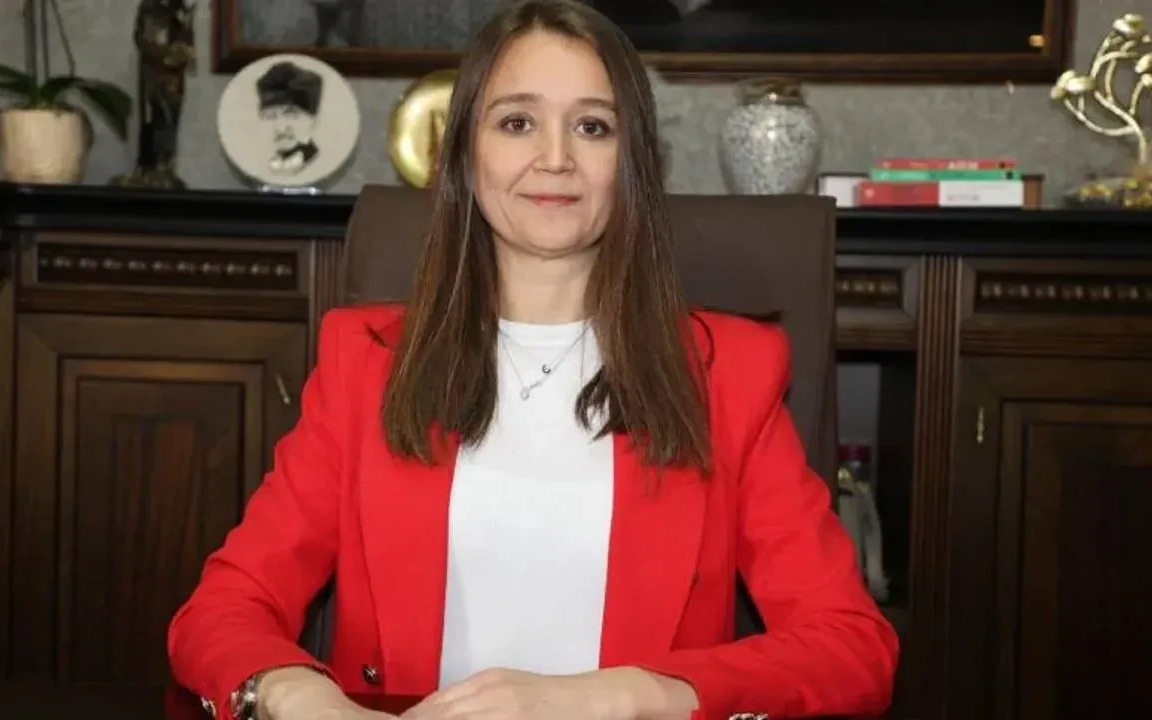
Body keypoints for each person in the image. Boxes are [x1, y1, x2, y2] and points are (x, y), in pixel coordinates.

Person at [168, 1, 899, 719]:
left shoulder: (728, 375)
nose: (555, 158)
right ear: (464, 153)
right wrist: (298, 696)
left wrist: (622, 696)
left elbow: (851, 647)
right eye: (517, 122)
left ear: (633, 163)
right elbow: (224, 609)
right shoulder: (364, 364)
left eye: (592, 126)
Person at [256, 60, 324, 175]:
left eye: (291, 115)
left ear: (313, 121)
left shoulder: (320, 168)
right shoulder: (270, 166)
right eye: (270, 116)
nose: (281, 127)